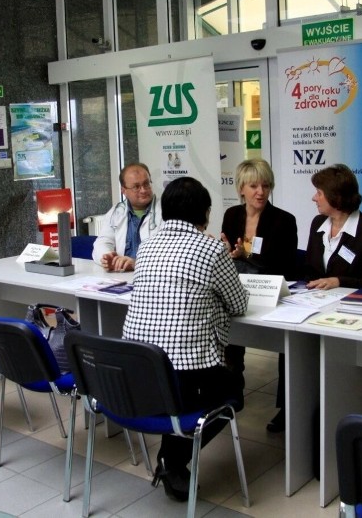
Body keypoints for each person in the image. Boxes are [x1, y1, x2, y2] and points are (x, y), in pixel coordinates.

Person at [123, 176, 248, 502]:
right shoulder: (210, 249)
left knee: (192, 394)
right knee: (232, 393)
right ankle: (173, 459)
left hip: (140, 365)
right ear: (205, 213)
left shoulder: (147, 244)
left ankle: (171, 460)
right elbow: (238, 304)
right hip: (184, 369)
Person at [221, 158, 297, 433]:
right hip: (239, 288)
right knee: (228, 332)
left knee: (288, 345)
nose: (260, 192)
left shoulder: (284, 221)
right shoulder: (231, 215)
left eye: (265, 185)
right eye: (254, 186)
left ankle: (287, 408)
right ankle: (232, 394)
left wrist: (247, 255)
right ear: (241, 188)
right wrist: (230, 253)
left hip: (272, 292)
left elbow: (285, 264)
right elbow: (230, 256)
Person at [304, 164, 362, 290]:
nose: (314, 198)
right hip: (315, 300)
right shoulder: (318, 223)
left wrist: (339, 281)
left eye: (319, 193)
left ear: (335, 197)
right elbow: (309, 271)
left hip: (353, 303)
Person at [91, 162, 162, 272]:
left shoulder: (167, 211)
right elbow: (102, 242)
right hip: (121, 276)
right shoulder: (116, 212)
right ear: (123, 190)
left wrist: (137, 264)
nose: (143, 190)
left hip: (152, 276)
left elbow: (171, 253)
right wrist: (108, 257)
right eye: (136, 187)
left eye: (146, 184)